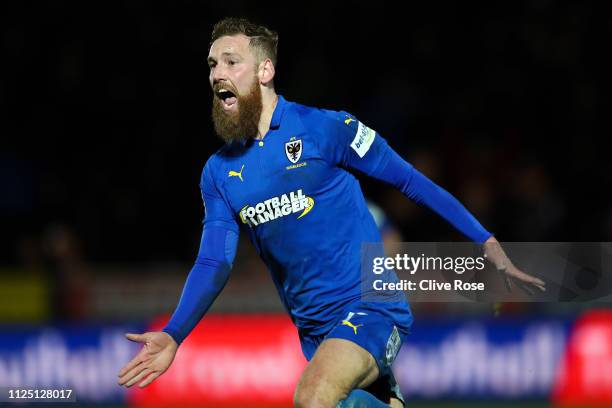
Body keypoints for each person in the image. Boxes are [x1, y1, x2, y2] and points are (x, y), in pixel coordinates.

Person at [117, 17, 545, 407]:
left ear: (265, 72)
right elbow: (215, 260)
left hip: (372, 309)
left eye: (231, 62)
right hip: (317, 333)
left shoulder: (325, 129)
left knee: (313, 395)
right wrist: (174, 334)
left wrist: (484, 240)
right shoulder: (219, 174)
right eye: (212, 64)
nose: (217, 75)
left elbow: (410, 181)